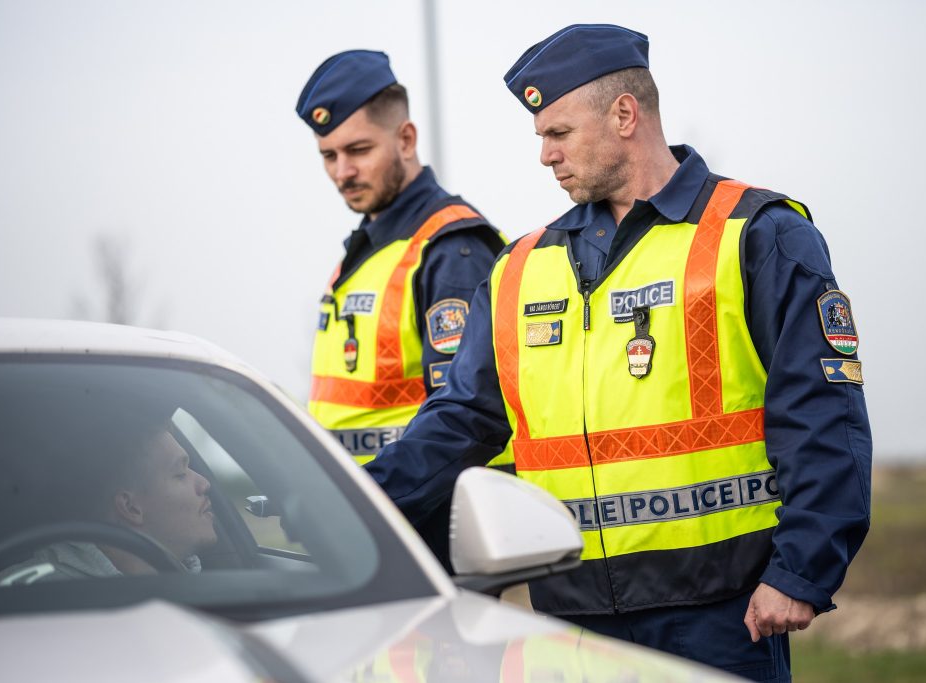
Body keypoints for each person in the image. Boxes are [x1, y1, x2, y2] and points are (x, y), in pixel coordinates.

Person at [366, 24, 872, 682]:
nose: (544, 155)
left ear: (625, 114)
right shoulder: (519, 267)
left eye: (559, 132)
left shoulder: (760, 234)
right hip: (567, 622)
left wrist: (801, 571)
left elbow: (822, 413)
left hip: (719, 618)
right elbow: (462, 418)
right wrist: (357, 499)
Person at [295, 50, 507, 566]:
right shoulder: (371, 248)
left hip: (427, 538)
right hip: (371, 534)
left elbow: (463, 421)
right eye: (329, 156)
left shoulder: (449, 249)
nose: (342, 172)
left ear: (406, 139)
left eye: (359, 150)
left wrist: (361, 502)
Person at [0, 418, 217, 583]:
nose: (204, 483)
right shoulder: (36, 597)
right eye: (180, 473)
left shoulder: (191, 582)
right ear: (130, 507)